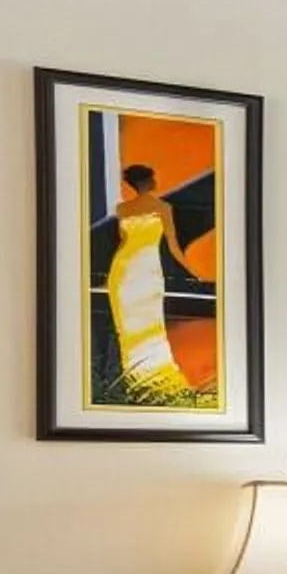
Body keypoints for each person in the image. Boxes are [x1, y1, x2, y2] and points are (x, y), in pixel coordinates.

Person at [102, 162, 197, 404]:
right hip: (142, 273)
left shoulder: (123, 209)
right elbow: (174, 246)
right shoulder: (162, 208)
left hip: (125, 272)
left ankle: (141, 383)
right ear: (147, 181)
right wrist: (192, 272)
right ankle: (147, 384)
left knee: (136, 329)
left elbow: (123, 242)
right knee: (143, 328)